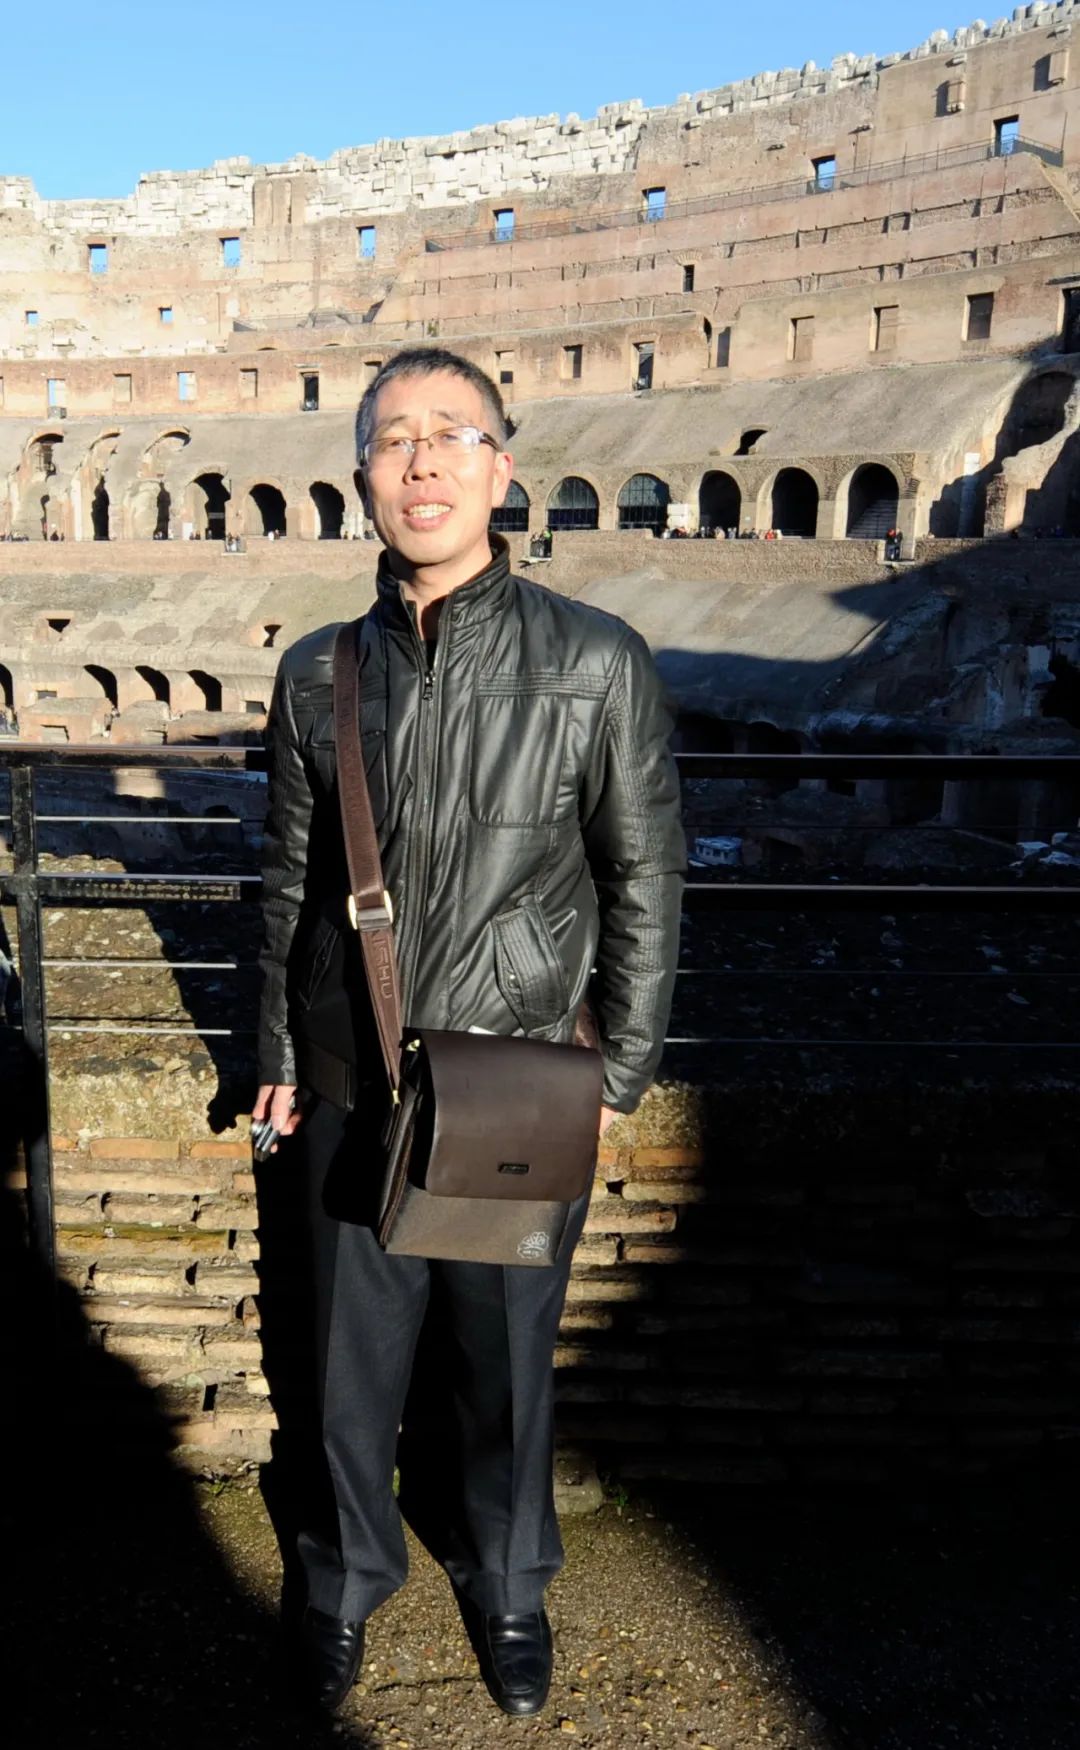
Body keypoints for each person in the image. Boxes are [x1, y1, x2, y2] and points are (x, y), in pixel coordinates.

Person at [253, 346, 684, 1720]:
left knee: (506, 1368)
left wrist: (618, 1071)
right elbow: (288, 884)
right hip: (352, 1072)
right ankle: (341, 1581)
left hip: (518, 1077)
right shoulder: (317, 673)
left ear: (503, 467)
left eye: (451, 433)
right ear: (363, 480)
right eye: (393, 439)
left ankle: (507, 1581)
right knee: (343, 1370)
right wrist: (275, 1056)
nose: (422, 459)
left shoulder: (597, 660)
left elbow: (644, 876)